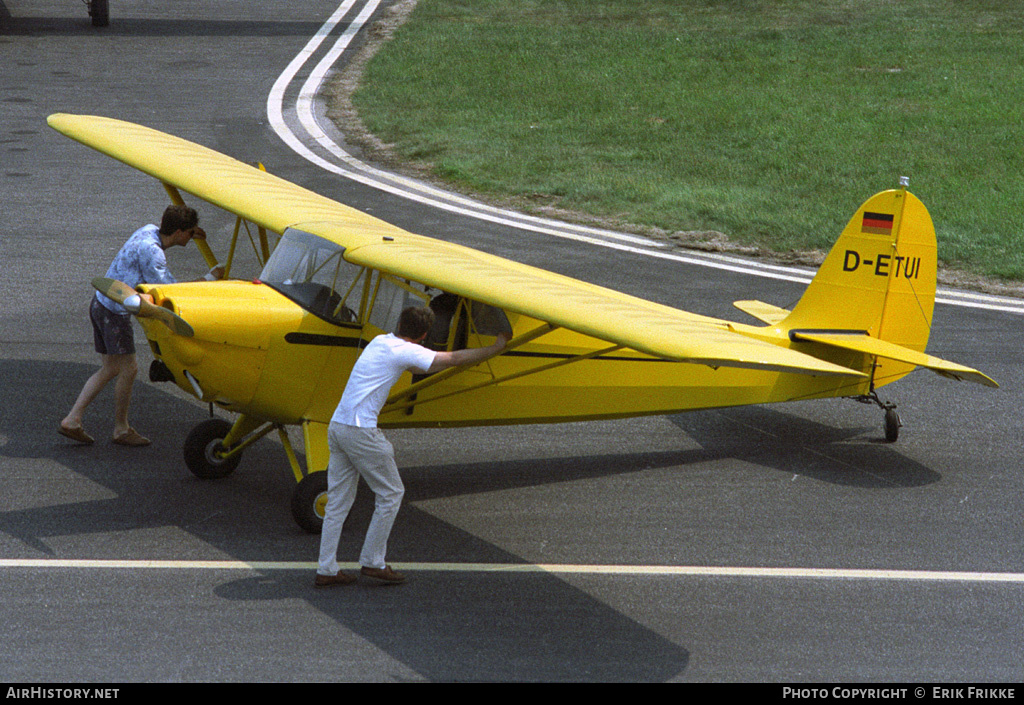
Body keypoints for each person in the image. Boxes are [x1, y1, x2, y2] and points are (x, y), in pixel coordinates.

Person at [316, 305, 511, 587]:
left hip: (337, 426)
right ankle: (373, 562)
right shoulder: (406, 351)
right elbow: (453, 358)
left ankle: (326, 568)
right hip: (360, 430)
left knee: (337, 502)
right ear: (422, 334)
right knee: (391, 493)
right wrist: (496, 347)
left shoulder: (379, 341)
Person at [59, 205, 222, 447]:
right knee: (129, 368)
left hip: (101, 302)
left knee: (110, 368)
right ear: (178, 231)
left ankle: (73, 420)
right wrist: (211, 278)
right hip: (114, 312)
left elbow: (167, 241)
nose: (190, 237)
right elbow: (172, 292)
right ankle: (120, 429)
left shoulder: (147, 230)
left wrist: (192, 231)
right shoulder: (153, 253)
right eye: (188, 233)